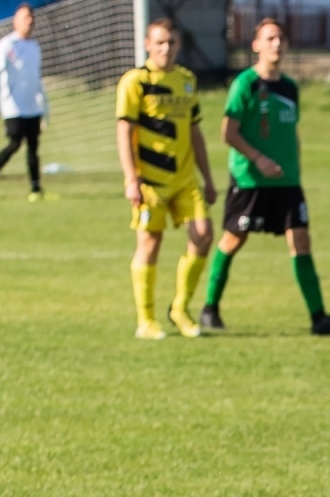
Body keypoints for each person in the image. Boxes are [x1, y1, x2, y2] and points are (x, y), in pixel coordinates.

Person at [200, 18, 330, 336]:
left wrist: (295, 166)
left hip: (287, 182)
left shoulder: (289, 88)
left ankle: (319, 318)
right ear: (256, 45)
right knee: (233, 239)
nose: (277, 43)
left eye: (281, 38)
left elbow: (290, 132)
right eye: (269, 38)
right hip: (250, 180)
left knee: (301, 239)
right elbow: (228, 133)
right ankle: (209, 307)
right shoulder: (245, 84)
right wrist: (258, 158)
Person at [115, 18, 216, 340]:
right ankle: (146, 320)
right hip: (150, 182)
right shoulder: (136, 81)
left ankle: (180, 309)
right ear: (147, 44)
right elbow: (124, 131)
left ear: (179, 45)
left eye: (171, 42)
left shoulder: (186, 80)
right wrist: (131, 179)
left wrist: (208, 178)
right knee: (150, 243)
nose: (166, 48)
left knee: (203, 235)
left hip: (185, 179)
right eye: (159, 42)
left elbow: (195, 132)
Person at [0, 3, 46, 203]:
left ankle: (36, 189)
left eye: (31, 17)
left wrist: (44, 105)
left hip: (32, 107)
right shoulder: (7, 45)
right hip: (13, 106)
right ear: (15, 21)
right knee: (14, 144)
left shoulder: (34, 47)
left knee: (33, 147)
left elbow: (37, 79)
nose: (29, 21)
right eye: (25, 17)